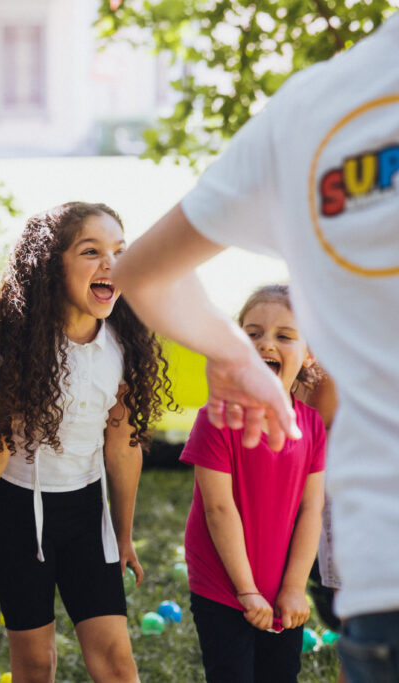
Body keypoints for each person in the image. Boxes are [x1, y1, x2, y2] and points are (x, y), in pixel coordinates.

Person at [110, 16, 399, 682]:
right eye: (258, 333)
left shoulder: (313, 107)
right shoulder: (310, 110)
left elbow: (144, 272)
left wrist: (228, 351)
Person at [0, 202, 172, 683]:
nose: (111, 263)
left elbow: (123, 445)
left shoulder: (123, 344)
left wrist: (123, 534)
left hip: (87, 514)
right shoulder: (21, 348)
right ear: (51, 266)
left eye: (119, 251)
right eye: (92, 251)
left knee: (117, 661)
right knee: (35, 664)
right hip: (18, 516)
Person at [182, 284, 325, 683]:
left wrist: (294, 587)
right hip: (223, 583)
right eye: (253, 333)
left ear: (309, 352)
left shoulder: (311, 424)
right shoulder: (216, 417)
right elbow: (218, 508)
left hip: (282, 585)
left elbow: (311, 509)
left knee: (281, 674)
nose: (266, 344)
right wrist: (246, 590)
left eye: (284, 336)